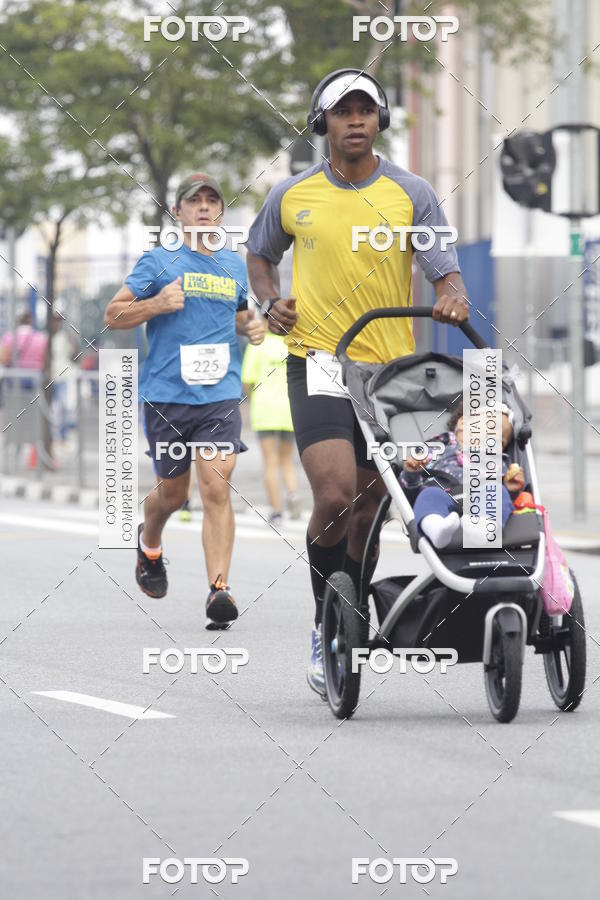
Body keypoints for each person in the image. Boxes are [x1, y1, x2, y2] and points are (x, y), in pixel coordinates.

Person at [246, 68, 470, 695]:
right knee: (337, 493)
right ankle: (327, 620)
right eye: (342, 112)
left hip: (393, 372)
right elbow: (259, 257)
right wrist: (269, 303)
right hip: (318, 358)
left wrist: (452, 295)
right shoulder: (292, 194)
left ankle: (353, 612)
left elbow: (444, 271)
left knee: (373, 504)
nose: (354, 121)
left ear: (379, 121)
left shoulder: (412, 192)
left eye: (365, 111)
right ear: (322, 123)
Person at [105, 173, 264, 629]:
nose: (204, 208)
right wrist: (154, 305)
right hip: (166, 396)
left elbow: (237, 318)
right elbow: (113, 314)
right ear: (178, 213)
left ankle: (219, 590)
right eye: (194, 201)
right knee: (172, 495)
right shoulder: (158, 261)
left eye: (212, 201)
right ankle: (149, 540)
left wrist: (251, 328)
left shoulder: (234, 266)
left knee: (215, 486)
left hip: (219, 396)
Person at [402, 403, 525, 548]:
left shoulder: (498, 462)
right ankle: (436, 528)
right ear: (463, 423)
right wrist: (411, 472)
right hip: (442, 495)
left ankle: (484, 528)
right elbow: (411, 491)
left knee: (497, 491)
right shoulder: (435, 449)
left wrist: (510, 488)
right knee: (427, 496)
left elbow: (504, 501)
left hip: (480, 501)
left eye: (501, 442)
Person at [241, 330, 300, 526]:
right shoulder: (291, 343)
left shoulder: (258, 343)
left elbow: (247, 380)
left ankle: (276, 511)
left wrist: (254, 398)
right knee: (287, 460)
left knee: (270, 462)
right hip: (290, 407)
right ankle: (292, 494)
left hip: (265, 409)